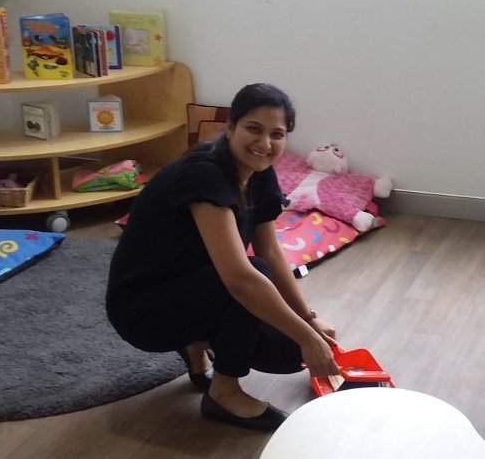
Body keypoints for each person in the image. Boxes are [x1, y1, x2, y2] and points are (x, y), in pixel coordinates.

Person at [106, 83, 339, 431]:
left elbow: (271, 250)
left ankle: (196, 346)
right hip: (140, 309)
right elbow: (240, 278)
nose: (265, 144)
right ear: (230, 126)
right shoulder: (206, 173)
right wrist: (309, 340)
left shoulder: (259, 171)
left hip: (183, 284)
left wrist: (308, 321)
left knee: (286, 352)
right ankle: (224, 393)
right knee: (251, 281)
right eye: (253, 129)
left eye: (277, 134)